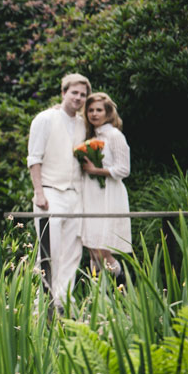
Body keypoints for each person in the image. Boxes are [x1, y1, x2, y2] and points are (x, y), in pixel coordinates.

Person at [27, 73, 90, 308]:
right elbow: (34, 158)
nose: (79, 98)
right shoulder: (45, 119)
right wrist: (39, 192)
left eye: (83, 95)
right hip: (50, 192)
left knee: (73, 252)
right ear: (63, 93)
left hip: (76, 193)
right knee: (49, 251)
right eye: (74, 92)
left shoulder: (84, 124)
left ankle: (64, 301)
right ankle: (43, 305)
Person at [80, 92, 132, 277]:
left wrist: (97, 171)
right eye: (91, 110)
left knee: (103, 250)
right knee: (92, 249)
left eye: (99, 110)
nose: (94, 114)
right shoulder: (90, 136)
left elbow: (124, 169)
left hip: (109, 195)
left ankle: (122, 285)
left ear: (108, 113)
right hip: (91, 195)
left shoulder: (114, 135)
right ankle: (98, 295)